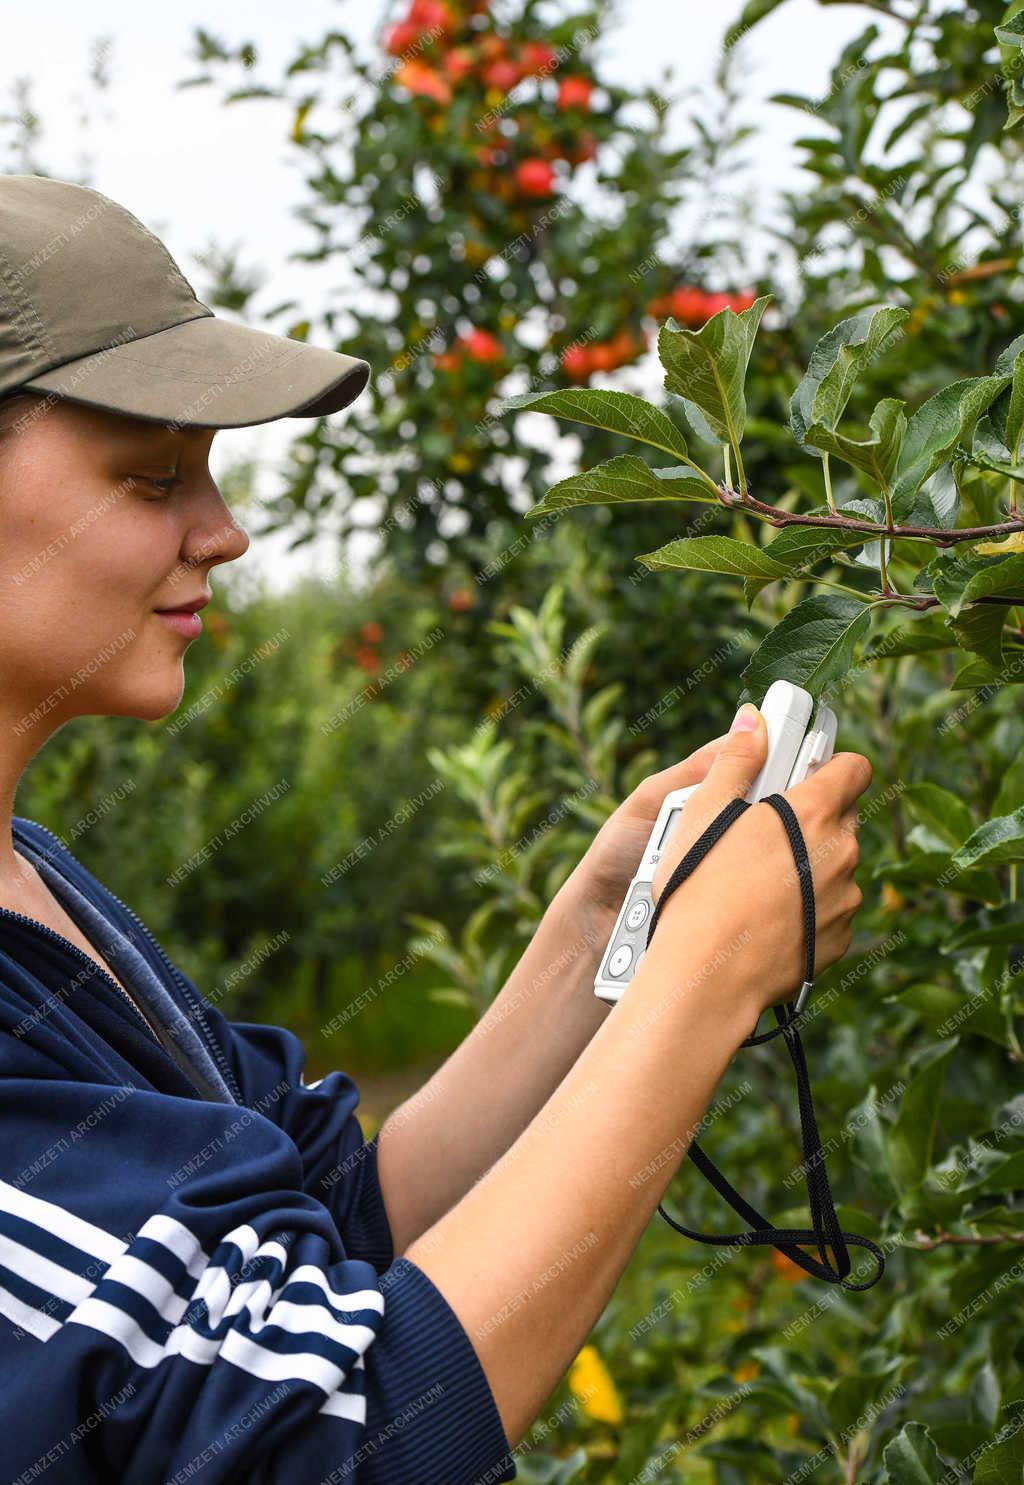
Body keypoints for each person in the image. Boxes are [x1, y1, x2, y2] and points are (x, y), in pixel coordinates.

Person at [0, 173, 872, 1483]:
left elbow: (339, 1223)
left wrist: (598, 931)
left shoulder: (41, 883)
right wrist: (703, 983)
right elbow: (332, 1432)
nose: (223, 531)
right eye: (151, 475)